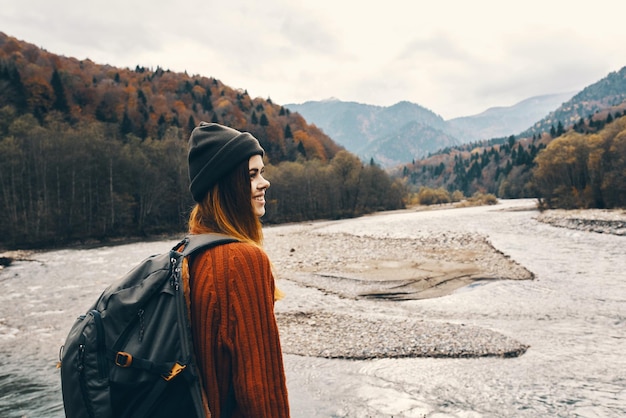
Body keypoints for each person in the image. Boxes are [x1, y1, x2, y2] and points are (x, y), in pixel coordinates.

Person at [183, 122, 290, 417]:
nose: (264, 182)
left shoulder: (185, 254)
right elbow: (262, 394)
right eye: (252, 175)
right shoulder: (241, 261)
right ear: (227, 184)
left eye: (262, 172)